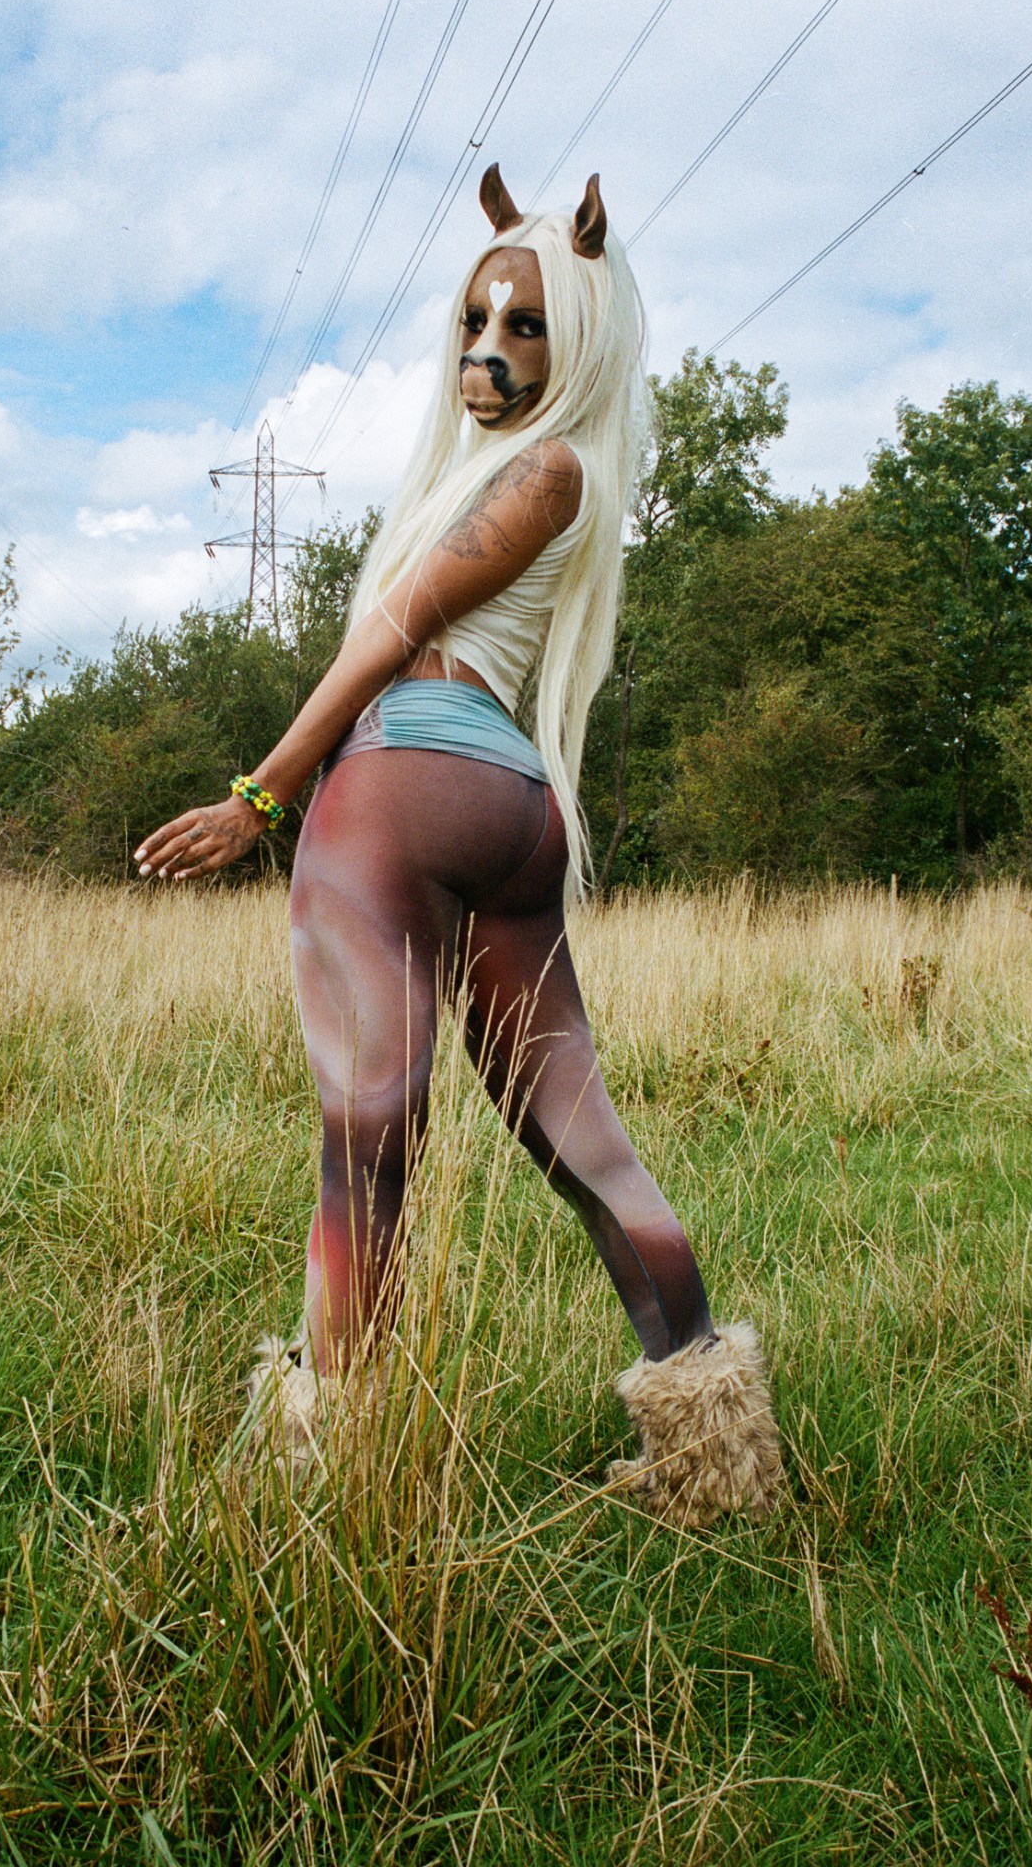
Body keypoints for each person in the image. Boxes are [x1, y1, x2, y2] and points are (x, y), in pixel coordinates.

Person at [134, 166, 782, 1529]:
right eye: (476, 323)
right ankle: (714, 1456)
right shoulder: (565, 479)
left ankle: (325, 1462)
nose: (487, 353)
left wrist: (259, 796)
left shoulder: (541, 469)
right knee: (580, 1139)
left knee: (367, 1135)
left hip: (399, 787)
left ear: (585, 337)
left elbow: (387, 635)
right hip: (516, 811)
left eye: (525, 328)